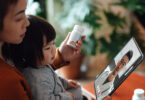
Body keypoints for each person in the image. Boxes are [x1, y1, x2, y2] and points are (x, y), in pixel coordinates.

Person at [0, 0, 111, 100]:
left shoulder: (11, 51)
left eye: (25, 12)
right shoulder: (7, 82)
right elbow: (36, 78)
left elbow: (42, 72)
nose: (27, 23)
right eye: (18, 18)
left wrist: (61, 56)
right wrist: (69, 96)